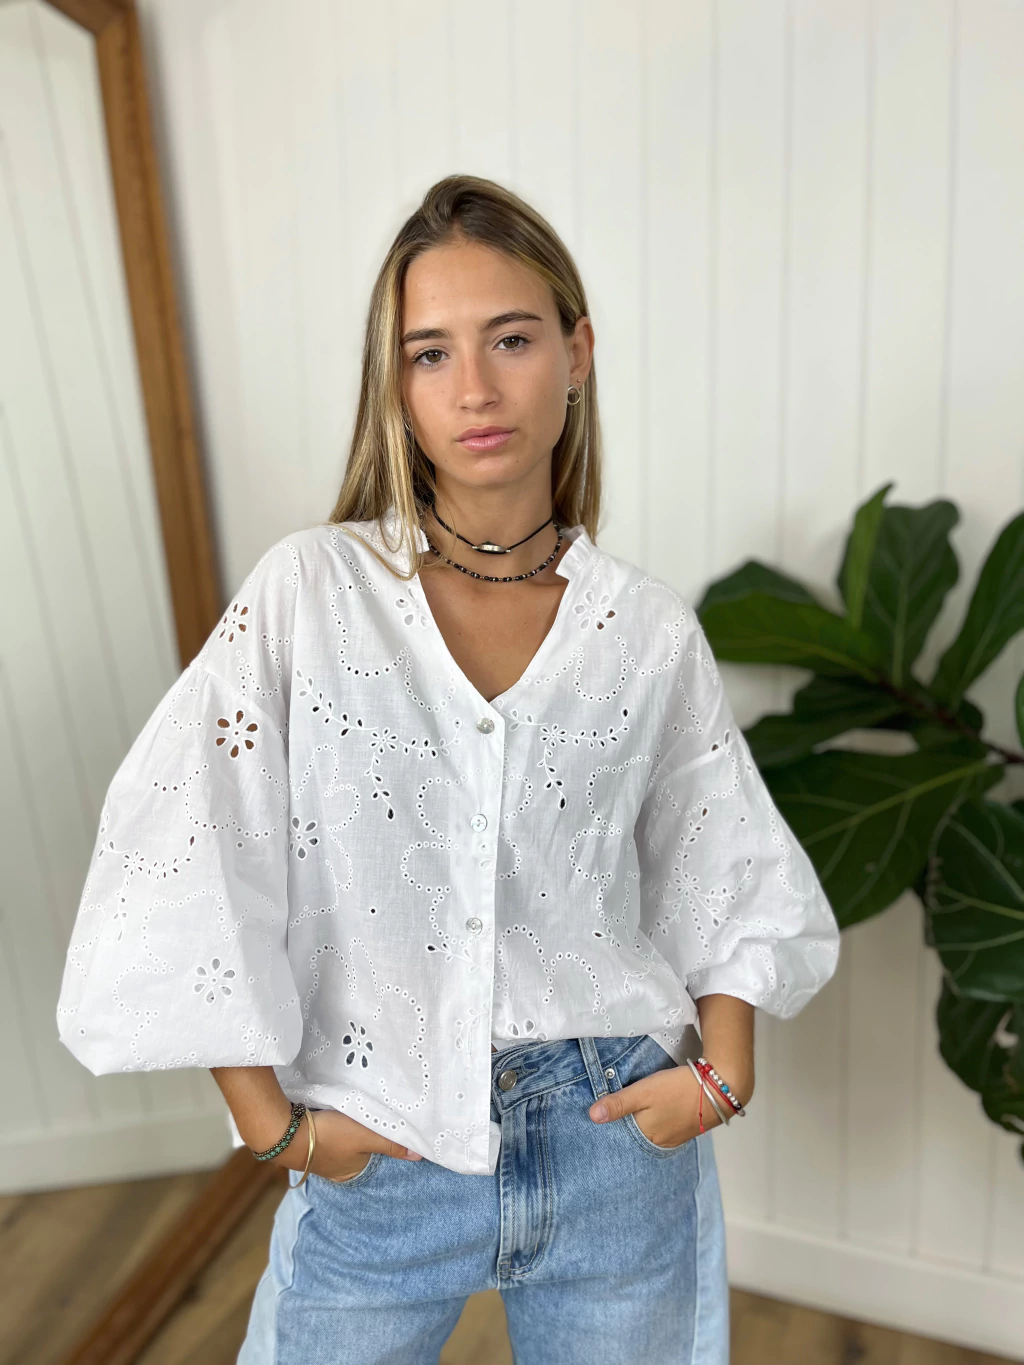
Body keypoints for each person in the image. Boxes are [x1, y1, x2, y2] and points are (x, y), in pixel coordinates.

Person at [57, 174, 841, 1365]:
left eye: (511, 339)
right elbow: (185, 845)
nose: (473, 388)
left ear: (577, 354)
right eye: (429, 354)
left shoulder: (643, 630)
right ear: (396, 386)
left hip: (614, 1140)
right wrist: (273, 1128)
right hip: (382, 1146)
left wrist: (722, 1073)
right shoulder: (311, 594)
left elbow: (719, 858)